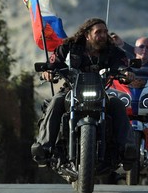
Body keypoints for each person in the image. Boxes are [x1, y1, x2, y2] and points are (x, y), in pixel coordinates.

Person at [30, 18, 136, 166]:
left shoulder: (113, 51)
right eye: (98, 32)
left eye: (105, 32)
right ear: (87, 35)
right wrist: (48, 71)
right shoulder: (70, 46)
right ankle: (44, 146)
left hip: (101, 92)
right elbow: (53, 63)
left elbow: (122, 65)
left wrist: (126, 73)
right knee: (56, 101)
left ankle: (127, 148)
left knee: (117, 103)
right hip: (71, 90)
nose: (103, 35)